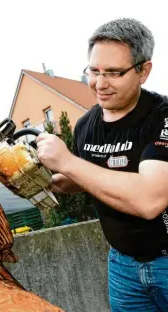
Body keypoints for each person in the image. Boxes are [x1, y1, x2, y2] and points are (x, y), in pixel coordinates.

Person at [36, 18, 168, 311]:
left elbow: (150, 200)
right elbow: (89, 176)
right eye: (93, 71)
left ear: (143, 71)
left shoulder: (162, 116)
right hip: (122, 267)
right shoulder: (86, 125)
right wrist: (50, 180)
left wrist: (67, 161)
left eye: (114, 73)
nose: (99, 83)